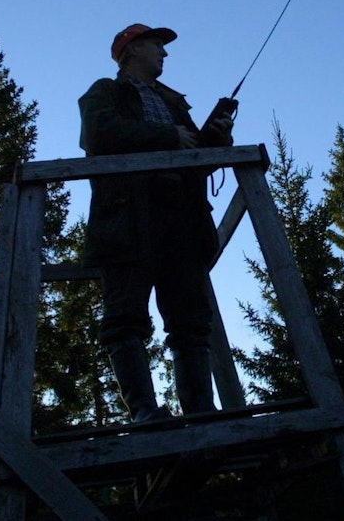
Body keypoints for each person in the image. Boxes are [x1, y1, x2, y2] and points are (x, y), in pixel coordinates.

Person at [78, 23, 235, 422]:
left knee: (191, 319)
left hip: (181, 217)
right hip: (127, 218)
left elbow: (194, 151)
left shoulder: (173, 101)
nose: (164, 54)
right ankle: (144, 413)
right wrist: (167, 137)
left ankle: (200, 410)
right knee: (125, 316)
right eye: (156, 46)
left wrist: (216, 138)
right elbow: (99, 134)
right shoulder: (105, 92)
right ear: (131, 51)